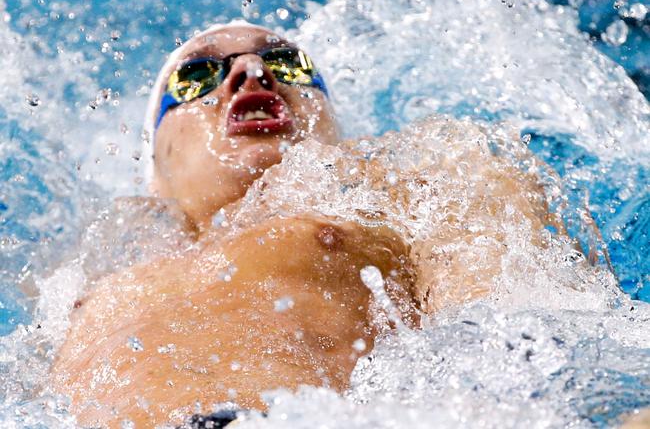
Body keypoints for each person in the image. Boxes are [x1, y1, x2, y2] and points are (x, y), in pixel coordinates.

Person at [50, 23, 565, 428]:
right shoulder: (85, 283)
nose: (251, 71)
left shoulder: (413, 192)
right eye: (199, 74)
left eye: (288, 63)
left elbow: (510, 338)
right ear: (155, 167)